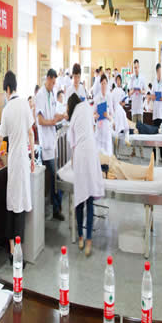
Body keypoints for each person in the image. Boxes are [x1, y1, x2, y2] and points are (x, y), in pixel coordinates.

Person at [0, 71, 36, 265]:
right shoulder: (25, 104)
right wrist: (32, 158)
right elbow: (31, 134)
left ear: (8, 89)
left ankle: (12, 251)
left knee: (12, 206)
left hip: (13, 162)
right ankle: (18, 253)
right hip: (23, 161)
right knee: (20, 207)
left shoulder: (7, 109)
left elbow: (0, 138)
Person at [66, 94, 104, 256]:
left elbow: (71, 141)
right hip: (92, 153)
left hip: (81, 155)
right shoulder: (87, 108)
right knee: (89, 200)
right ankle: (88, 240)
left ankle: (80, 237)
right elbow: (92, 129)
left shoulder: (74, 115)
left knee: (80, 199)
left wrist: (73, 161)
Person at [35, 68, 65, 220]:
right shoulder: (40, 95)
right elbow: (40, 120)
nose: (54, 85)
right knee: (56, 177)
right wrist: (52, 122)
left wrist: (62, 116)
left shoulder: (51, 94)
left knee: (55, 178)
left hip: (52, 141)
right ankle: (57, 207)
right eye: (52, 82)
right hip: (45, 143)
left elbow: (53, 115)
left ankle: (55, 208)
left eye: (55, 83)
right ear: (47, 79)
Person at [94, 74, 114, 156]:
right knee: (98, 154)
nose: (103, 85)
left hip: (107, 128)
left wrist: (107, 116)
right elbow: (93, 113)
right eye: (102, 83)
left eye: (105, 83)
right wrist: (96, 116)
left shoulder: (109, 97)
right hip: (99, 128)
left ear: (107, 84)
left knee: (107, 153)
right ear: (100, 84)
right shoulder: (97, 98)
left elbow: (112, 116)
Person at [151, 63, 162, 163]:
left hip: (161, 112)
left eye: (161, 72)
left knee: (161, 135)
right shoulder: (154, 82)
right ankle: (154, 155)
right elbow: (152, 96)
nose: (160, 74)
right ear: (156, 72)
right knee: (154, 134)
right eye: (159, 72)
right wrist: (154, 97)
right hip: (155, 112)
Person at [129, 59, 145, 157]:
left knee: (141, 129)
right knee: (133, 129)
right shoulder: (132, 78)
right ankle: (133, 150)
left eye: (137, 67)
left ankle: (141, 151)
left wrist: (140, 91)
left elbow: (145, 91)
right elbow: (129, 92)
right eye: (134, 67)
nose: (136, 69)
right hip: (134, 108)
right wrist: (133, 91)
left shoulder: (142, 78)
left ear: (139, 67)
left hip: (140, 108)